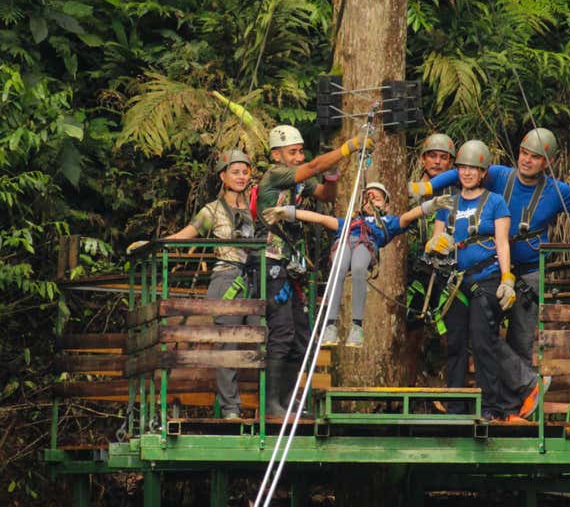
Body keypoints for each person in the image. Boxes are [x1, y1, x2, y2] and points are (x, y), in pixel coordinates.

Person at [412, 128, 570, 417]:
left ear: (547, 162)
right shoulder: (499, 175)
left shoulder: (557, 191)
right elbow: (463, 173)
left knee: (520, 340)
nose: (527, 161)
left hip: (529, 273)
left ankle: (511, 408)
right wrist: (428, 189)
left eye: (535, 157)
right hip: (494, 269)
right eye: (524, 153)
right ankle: (518, 392)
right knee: (483, 332)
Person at [255, 125, 372, 416]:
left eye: (299, 151)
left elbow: (326, 195)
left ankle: (288, 400)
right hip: (271, 263)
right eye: (292, 152)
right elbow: (314, 166)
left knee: (300, 335)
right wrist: (349, 147)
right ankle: (271, 403)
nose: (298, 156)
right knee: (282, 332)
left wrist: (331, 177)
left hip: (290, 267)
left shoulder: (296, 182)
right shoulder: (275, 174)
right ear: (276, 154)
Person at [263, 182, 453, 348]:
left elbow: (409, 216)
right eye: (368, 198)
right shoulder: (347, 222)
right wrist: (286, 212)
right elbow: (318, 218)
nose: (371, 202)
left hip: (366, 244)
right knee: (338, 268)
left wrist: (431, 205)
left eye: (377, 199)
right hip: (345, 242)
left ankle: (356, 326)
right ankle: (331, 325)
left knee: (360, 267)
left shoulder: (387, 222)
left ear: (386, 205)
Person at [160, 149, 257, 420]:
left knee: (262, 338)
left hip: (254, 279)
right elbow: (185, 235)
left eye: (245, 171)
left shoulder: (254, 206)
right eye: (235, 172)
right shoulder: (212, 211)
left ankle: (265, 405)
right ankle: (230, 408)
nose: (241, 176)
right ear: (223, 176)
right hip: (227, 278)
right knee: (228, 344)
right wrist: (153, 244)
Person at [424, 139, 517, 421]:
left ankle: (490, 407)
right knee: (454, 344)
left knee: (482, 341)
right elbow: (436, 237)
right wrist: (434, 245)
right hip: (454, 282)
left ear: (483, 172)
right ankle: (455, 407)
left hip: (485, 281)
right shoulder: (447, 203)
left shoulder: (495, 202)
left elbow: (502, 243)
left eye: (473, 169)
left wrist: (507, 278)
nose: (467, 173)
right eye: (463, 168)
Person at [406, 133, 457, 327]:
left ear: (451, 163)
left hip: (446, 273)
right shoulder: (409, 193)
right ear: (422, 159)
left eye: (443, 157)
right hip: (412, 272)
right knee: (410, 328)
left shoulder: (458, 195)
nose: (437, 162)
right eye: (432, 156)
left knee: (446, 331)